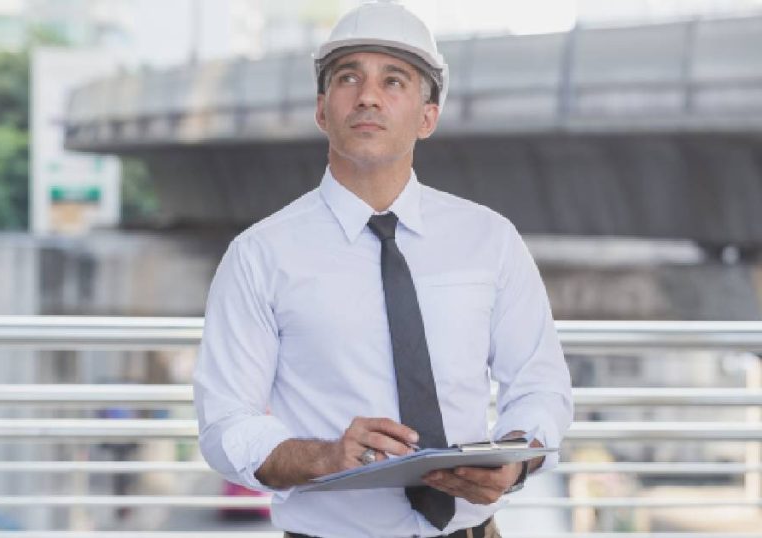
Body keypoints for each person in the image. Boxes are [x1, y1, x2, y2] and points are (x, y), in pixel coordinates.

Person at [193, 1, 573, 536]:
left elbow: (540, 386)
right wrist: (327, 456)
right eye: (349, 78)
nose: (368, 96)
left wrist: (515, 461)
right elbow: (225, 425)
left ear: (427, 116)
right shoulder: (260, 255)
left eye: (394, 81)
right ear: (322, 110)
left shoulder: (491, 240)